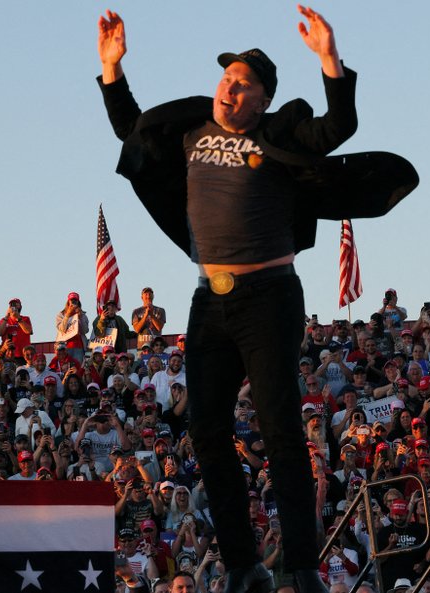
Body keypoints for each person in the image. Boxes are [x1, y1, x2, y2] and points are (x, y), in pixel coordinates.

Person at [96, 6, 414, 593]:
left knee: (280, 430)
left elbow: (337, 128)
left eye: (242, 85)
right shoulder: (193, 131)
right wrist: (113, 69)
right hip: (207, 300)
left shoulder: (277, 135)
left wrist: (328, 60)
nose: (228, 89)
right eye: (225, 79)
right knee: (207, 430)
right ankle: (244, 565)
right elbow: (132, 130)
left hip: (269, 296)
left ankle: (301, 566)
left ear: (262, 100)